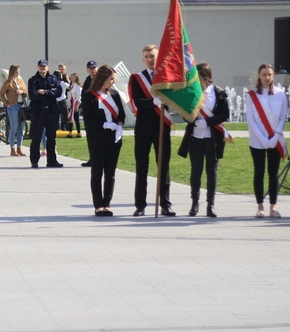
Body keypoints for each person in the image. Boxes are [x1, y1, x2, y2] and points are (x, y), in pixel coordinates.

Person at [177, 63, 230, 218]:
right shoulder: (192, 93)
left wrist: (207, 122)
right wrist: (193, 120)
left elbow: (224, 114)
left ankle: (210, 205)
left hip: (213, 138)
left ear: (207, 77)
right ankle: (195, 203)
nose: (198, 82)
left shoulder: (219, 93)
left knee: (211, 172)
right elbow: (184, 114)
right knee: (196, 171)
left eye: (200, 78)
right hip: (196, 137)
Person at [128, 45, 175, 217]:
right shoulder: (136, 78)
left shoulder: (167, 77)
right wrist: (153, 102)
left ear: (158, 57)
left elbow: (174, 100)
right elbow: (137, 102)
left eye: (153, 56)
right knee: (142, 167)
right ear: (143, 59)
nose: (150, 59)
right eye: (147, 56)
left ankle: (165, 204)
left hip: (162, 126)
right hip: (143, 128)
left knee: (163, 166)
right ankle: (140, 205)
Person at [81, 65, 125, 216]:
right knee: (97, 172)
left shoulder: (114, 94)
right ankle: (98, 205)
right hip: (97, 139)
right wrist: (104, 124)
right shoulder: (89, 95)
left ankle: (107, 204)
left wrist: (119, 125)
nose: (113, 82)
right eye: (111, 79)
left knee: (110, 173)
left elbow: (122, 114)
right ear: (103, 78)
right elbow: (88, 119)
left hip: (114, 139)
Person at [246, 63, 288, 218]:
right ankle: (260, 206)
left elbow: (283, 117)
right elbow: (250, 119)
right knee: (259, 172)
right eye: (264, 74)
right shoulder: (251, 95)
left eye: (269, 74)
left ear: (273, 76)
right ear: (259, 75)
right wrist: (263, 139)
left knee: (273, 173)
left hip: (275, 139)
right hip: (257, 140)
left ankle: (273, 206)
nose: (267, 77)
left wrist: (276, 136)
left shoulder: (281, 94)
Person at [28, 60, 64, 169]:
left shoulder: (53, 79)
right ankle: (34, 161)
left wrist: (45, 92)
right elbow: (33, 95)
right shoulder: (33, 80)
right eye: (41, 66)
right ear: (37, 67)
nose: (42, 68)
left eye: (44, 66)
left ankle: (52, 161)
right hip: (38, 113)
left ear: (48, 68)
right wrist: (49, 93)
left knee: (51, 138)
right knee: (36, 138)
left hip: (51, 113)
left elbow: (58, 92)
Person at [0, 64, 28, 157]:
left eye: (18, 72)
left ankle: (19, 147)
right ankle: (12, 148)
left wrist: (22, 92)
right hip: (13, 106)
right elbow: (1, 94)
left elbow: (26, 92)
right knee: (14, 128)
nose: (17, 74)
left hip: (21, 106)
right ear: (12, 72)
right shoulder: (7, 83)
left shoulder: (20, 81)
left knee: (21, 128)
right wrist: (7, 103)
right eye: (16, 72)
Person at [80, 61, 98, 167]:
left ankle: (98, 159)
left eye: (94, 68)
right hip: (89, 113)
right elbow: (84, 96)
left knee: (99, 138)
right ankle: (92, 158)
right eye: (91, 68)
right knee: (90, 137)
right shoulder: (87, 81)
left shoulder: (101, 80)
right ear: (87, 70)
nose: (93, 70)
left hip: (98, 112)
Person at [68, 72, 82, 138]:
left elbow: (79, 97)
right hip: (72, 102)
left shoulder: (78, 86)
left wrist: (77, 105)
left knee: (76, 119)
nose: (72, 79)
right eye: (71, 77)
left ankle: (79, 133)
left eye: (73, 77)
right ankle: (70, 133)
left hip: (76, 103)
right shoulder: (72, 85)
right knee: (71, 118)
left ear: (76, 78)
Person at [57, 64, 71, 131]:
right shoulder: (56, 77)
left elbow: (69, 87)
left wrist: (68, 80)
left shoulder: (66, 77)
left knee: (64, 114)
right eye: (61, 69)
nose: (62, 71)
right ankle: (57, 128)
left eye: (64, 69)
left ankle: (64, 127)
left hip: (63, 97)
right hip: (57, 99)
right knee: (56, 114)